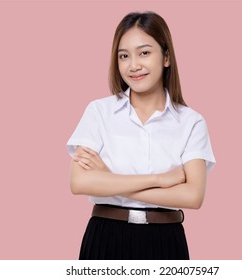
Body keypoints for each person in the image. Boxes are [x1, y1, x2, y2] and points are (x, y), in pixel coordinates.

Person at [67, 11, 216, 260]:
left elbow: (192, 196)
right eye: (124, 56)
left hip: (166, 240)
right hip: (105, 236)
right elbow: (79, 183)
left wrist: (108, 179)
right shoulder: (99, 112)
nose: (133, 65)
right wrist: (161, 179)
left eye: (144, 53)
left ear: (166, 57)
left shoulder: (191, 122)